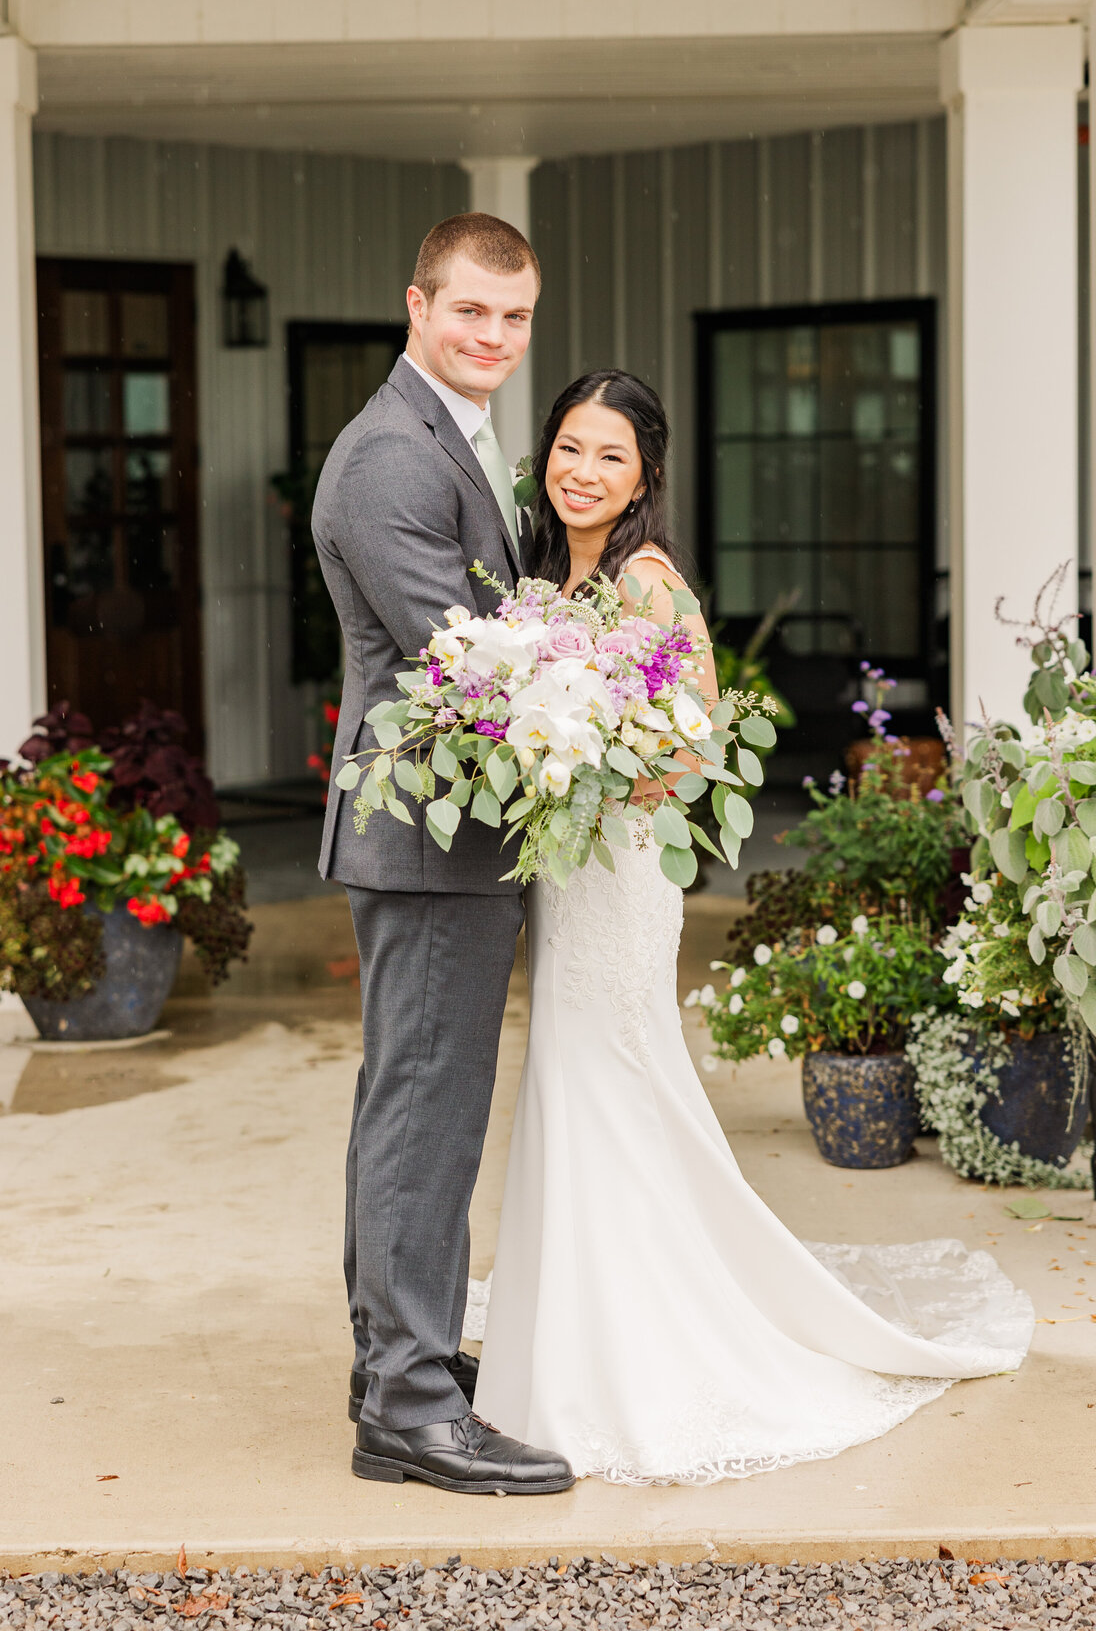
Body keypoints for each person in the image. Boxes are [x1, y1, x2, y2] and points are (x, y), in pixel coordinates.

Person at [470, 369, 1034, 1485]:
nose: (584, 472)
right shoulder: (544, 581)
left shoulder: (646, 584)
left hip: (620, 873)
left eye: (611, 457)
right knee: (572, 1088)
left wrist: (574, 757)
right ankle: (575, 1336)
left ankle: (631, 1359)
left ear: (647, 478)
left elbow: (689, 753)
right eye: (570, 449)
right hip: (566, 873)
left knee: (612, 1084)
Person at [311, 214, 574, 1494]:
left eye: (515, 318)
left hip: (455, 837)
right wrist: (600, 710)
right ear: (418, 304)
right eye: (472, 310)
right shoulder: (385, 459)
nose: (494, 337)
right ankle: (410, 1407)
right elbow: (465, 660)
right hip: (426, 834)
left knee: (412, 1107)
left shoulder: (449, 439)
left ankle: (397, 1367)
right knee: (425, 1114)